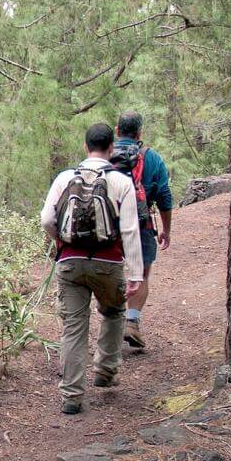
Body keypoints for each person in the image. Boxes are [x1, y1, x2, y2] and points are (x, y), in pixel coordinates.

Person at [40, 122, 144, 415]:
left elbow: (47, 218)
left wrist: (61, 240)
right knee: (113, 311)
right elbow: (130, 231)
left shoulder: (64, 178)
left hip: (70, 262)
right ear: (111, 149)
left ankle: (71, 396)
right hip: (108, 263)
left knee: (74, 327)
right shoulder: (121, 181)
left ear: (85, 147)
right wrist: (135, 274)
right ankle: (105, 371)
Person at [110, 110, 173, 349]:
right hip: (141, 224)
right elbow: (164, 197)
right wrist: (166, 229)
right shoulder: (151, 158)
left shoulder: (106, 155)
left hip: (109, 226)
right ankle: (132, 322)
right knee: (142, 273)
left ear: (117, 131)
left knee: (111, 270)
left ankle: (112, 323)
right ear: (140, 133)